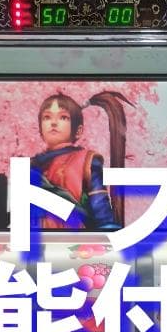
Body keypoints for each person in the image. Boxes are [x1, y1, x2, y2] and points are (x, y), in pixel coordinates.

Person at [31, 93, 119, 230]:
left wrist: (107, 229)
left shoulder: (86, 160)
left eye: (63, 117)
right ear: (40, 130)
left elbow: (99, 202)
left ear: (78, 131)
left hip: (73, 234)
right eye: (47, 117)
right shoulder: (32, 165)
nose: (53, 122)